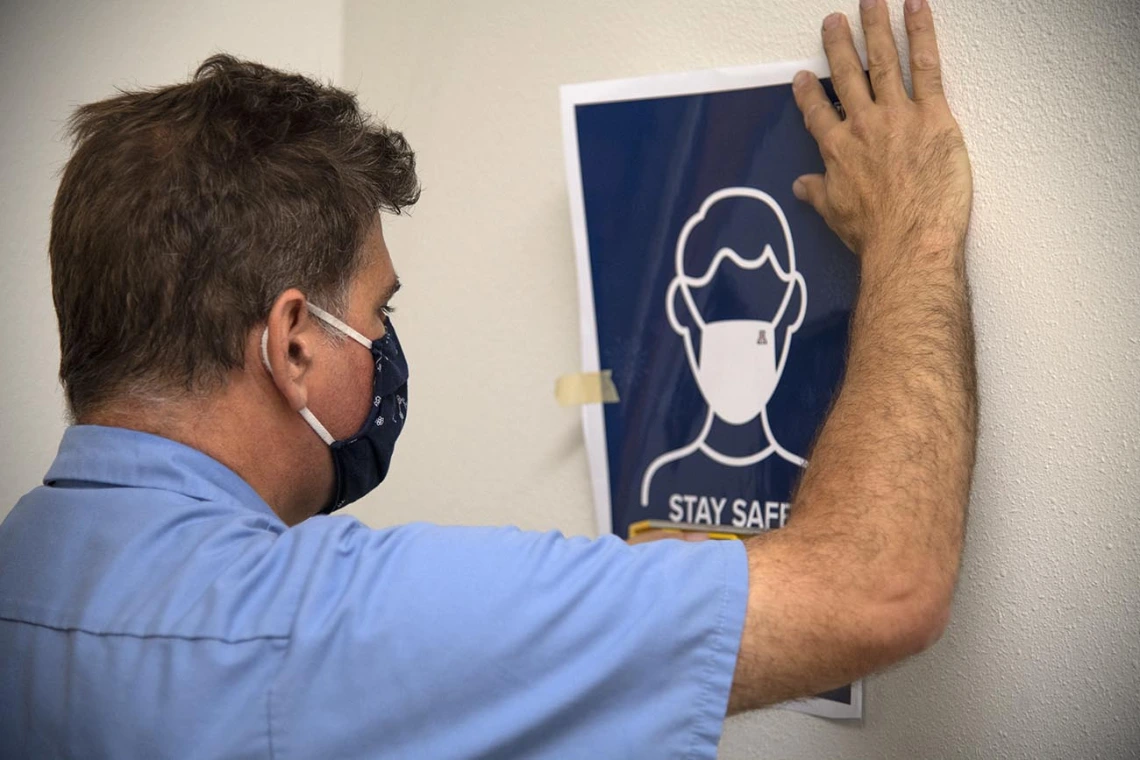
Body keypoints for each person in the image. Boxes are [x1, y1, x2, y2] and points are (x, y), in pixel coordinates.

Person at [0, 1, 976, 757]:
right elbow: (878, 586)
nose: (385, 348)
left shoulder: (22, 565)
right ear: (293, 343)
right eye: (378, 314)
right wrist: (916, 227)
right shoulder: (337, 625)